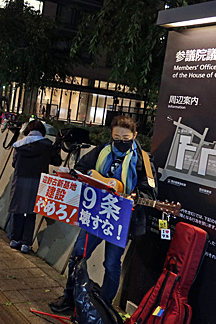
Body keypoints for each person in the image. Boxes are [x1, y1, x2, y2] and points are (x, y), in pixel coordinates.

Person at [49, 115, 157, 312]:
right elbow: (81, 168)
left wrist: (136, 196)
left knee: (112, 264)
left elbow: (150, 191)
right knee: (78, 254)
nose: (121, 142)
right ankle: (70, 297)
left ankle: (103, 306)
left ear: (135, 135)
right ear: (111, 135)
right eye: (117, 138)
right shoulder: (101, 151)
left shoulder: (144, 160)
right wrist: (86, 178)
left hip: (121, 219)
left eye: (126, 138)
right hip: (96, 213)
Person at [8, 120, 62, 254]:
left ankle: (15, 239)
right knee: (31, 213)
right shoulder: (47, 145)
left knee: (18, 210)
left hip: (20, 180)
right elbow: (56, 161)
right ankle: (26, 243)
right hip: (38, 181)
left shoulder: (19, 145)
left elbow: (14, 163)